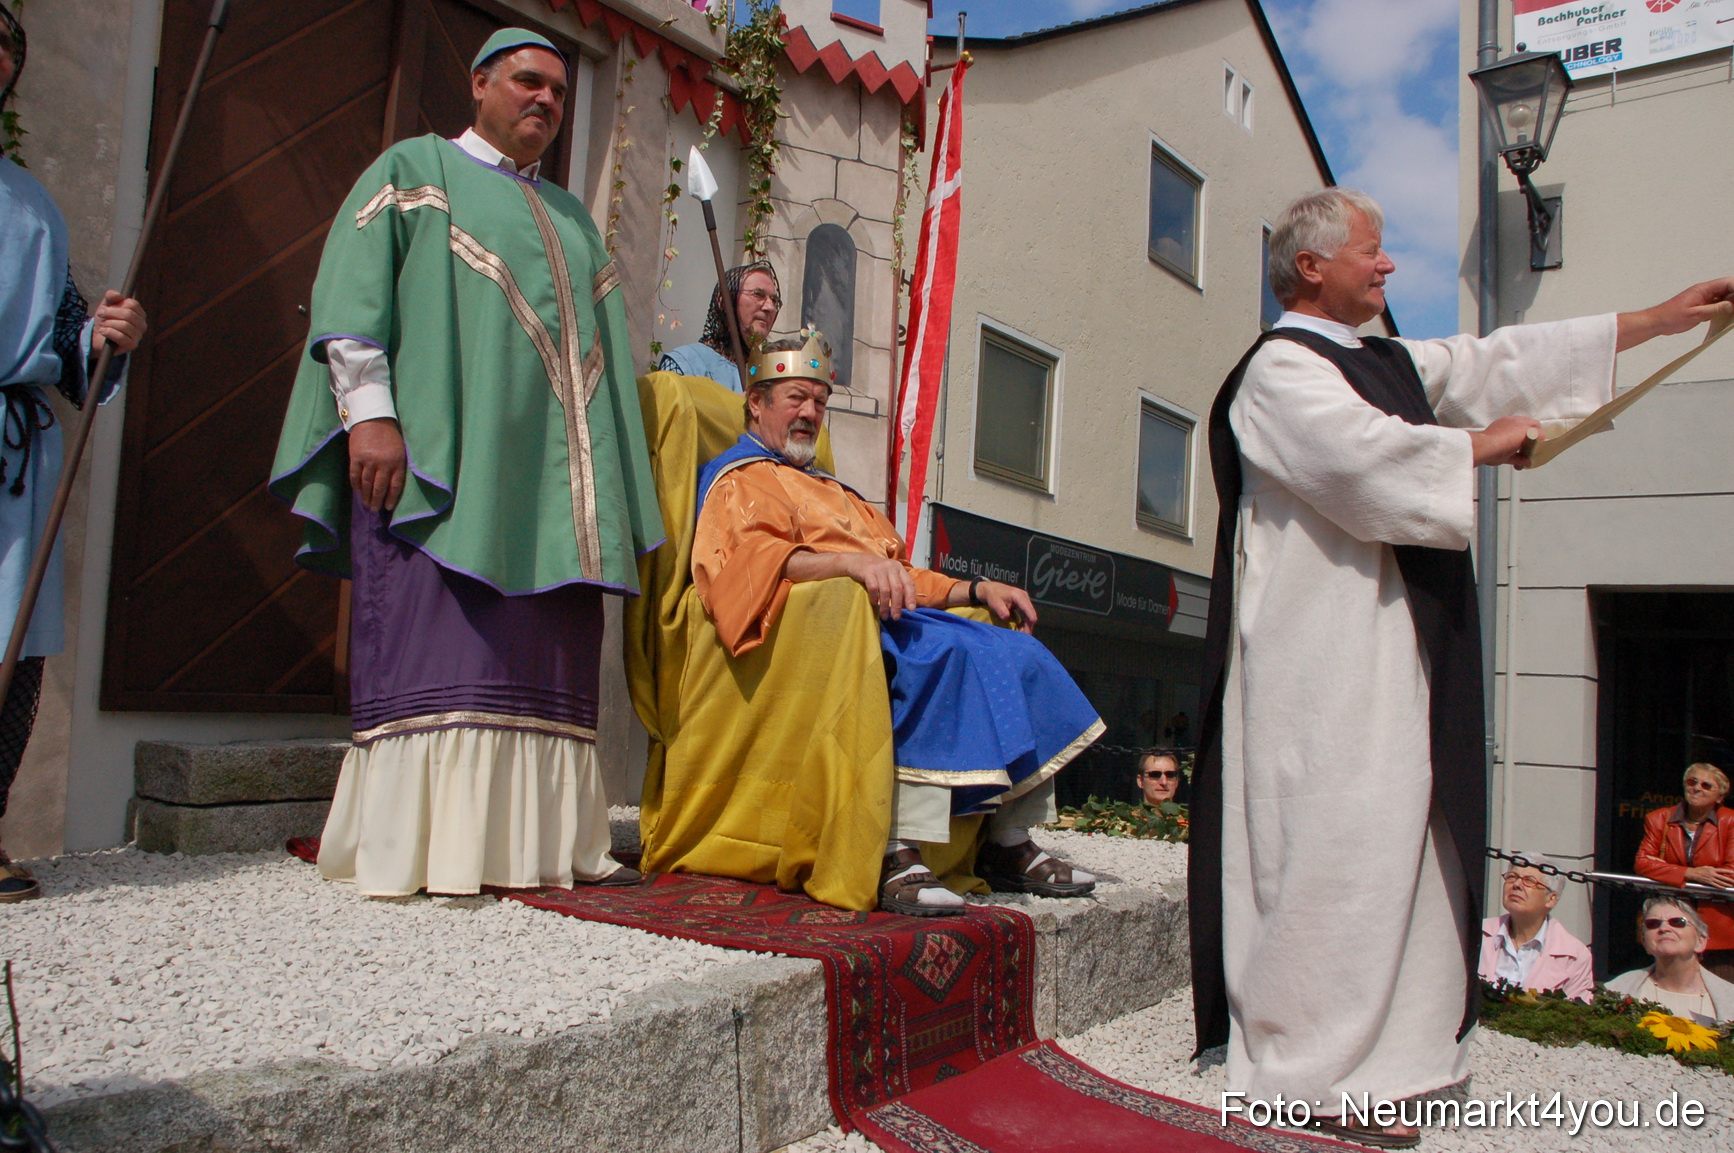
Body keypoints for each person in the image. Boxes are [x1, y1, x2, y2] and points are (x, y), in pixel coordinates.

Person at [1188, 185, 1734, 1147]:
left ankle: (1398, 1057)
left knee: (1409, 837)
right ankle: (1306, 1069)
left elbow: (1495, 361)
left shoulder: (1382, 361)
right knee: (1332, 850)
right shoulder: (1280, 369)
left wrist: (1655, 320)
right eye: (1371, 249)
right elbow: (1359, 461)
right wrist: (1481, 447)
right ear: (1311, 266)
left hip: (1395, 649)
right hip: (1317, 663)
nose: (1388, 264)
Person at [270, 28, 661, 897]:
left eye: (559, 93)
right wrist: (370, 417)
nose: (546, 103)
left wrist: (611, 498)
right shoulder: (415, 172)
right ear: (479, 82)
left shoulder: (570, 218)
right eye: (529, 82)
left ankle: (534, 849)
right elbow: (353, 296)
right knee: (439, 645)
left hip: (548, 495)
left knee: (545, 658)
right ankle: (428, 850)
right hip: (440, 475)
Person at [692, 328, 1103, 915]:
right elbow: (743, 567)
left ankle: (1007, 841)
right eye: (794, 398)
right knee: (943, 657)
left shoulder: (840, 493)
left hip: (888, 615)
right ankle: (891, 849)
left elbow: (901, 572)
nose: (810, 413)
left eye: (819, 402)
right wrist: (850, 567)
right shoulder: (739, 480)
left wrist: (976, 586)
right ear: (756, 403)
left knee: (1015, 650)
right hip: (821, 630)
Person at [0, 8, 145, 904]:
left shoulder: (30, 205)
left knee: (13, 651)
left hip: (13, 464)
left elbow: (65, 338)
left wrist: (105, 336)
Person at [1635, 762, 1734, 981]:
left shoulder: (1730, 821)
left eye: (1707, 785)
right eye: (1692, 781)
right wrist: (1690, 874)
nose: (1697, 788)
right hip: (1672, 919)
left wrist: (1665, 870)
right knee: (1671, 985)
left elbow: (1730, 873)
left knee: (1722, 992)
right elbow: (1642, 862)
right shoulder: (1659, 819)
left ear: (1720, 797)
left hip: (1717, 926)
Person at [1476, 852, 1594, 1002]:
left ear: (1551, 899)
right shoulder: (1476, 933)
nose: (1516, 885)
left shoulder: (1574, 956)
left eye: (1529, 881)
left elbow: (1576, 1017)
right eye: (1512, 877)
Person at [1606, 898, 1734, 1024]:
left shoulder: (1729, 998)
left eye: (1677, 922)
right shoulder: (1616, 991)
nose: (1664, 928)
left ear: (1700, 941)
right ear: (1645, 943)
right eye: (1653, 924)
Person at [657, 261, 781, 392]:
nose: (770, 307)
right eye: (758, 294)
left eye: (774, 300)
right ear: (723, 302)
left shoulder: (769, 375)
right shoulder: (686, 364)